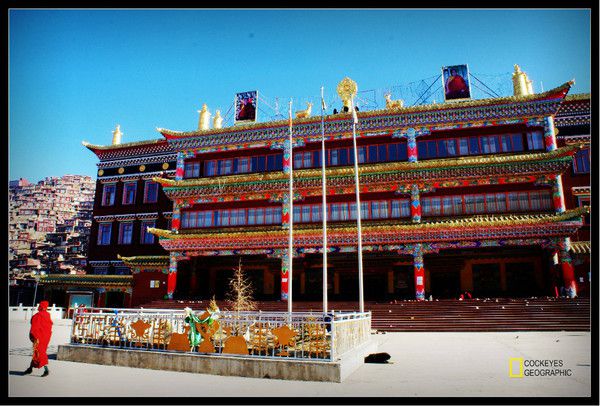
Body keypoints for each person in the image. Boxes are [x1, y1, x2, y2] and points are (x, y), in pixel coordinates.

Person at [24, 300, 53, 377]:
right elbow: (49, 326)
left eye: (39, 305)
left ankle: (46, 370)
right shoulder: (48, 315)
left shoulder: (38, 315)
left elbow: (34, 326)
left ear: (41, 306)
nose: (38, 307)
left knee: (40, 353)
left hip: (38, 337)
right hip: (46, 337)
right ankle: (30, 368)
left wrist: (34, 336)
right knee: (37, 352)